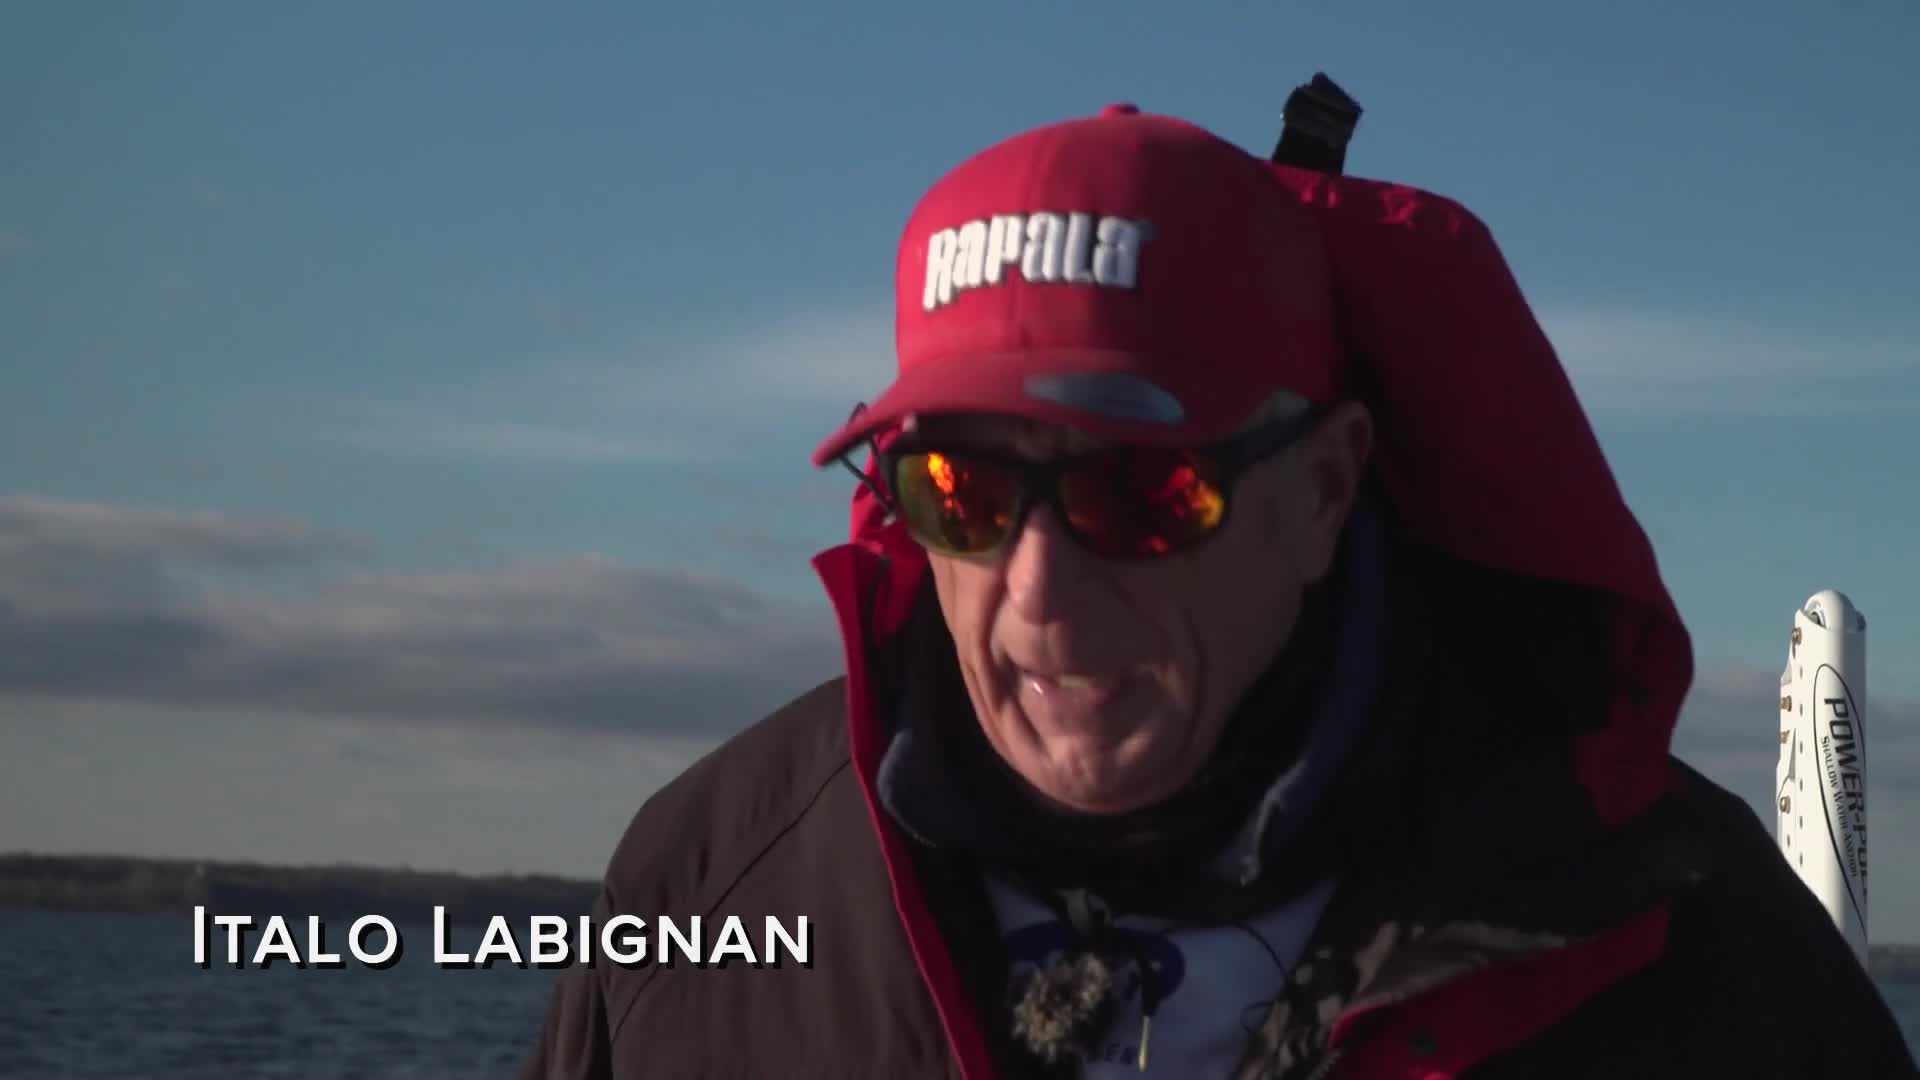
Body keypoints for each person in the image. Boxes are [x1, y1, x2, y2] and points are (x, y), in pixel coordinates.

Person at [518, 87, 1918, 1079]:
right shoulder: (713, 887)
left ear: (1322, 490)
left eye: (1141, 493)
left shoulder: (1666, 934)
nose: (1041, 595)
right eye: (963, 493)